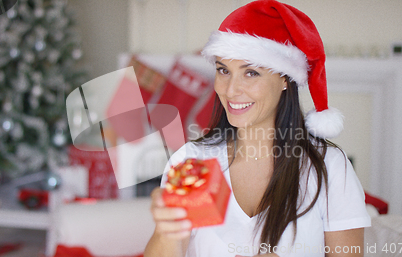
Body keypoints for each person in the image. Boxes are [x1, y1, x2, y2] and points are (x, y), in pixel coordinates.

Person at [144, 0, 370, 256]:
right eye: (223, 70)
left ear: (285, 78)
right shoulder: (192, 160)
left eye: (251, 73)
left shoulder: (327, 165)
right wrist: (167, 230)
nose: (231, 90)